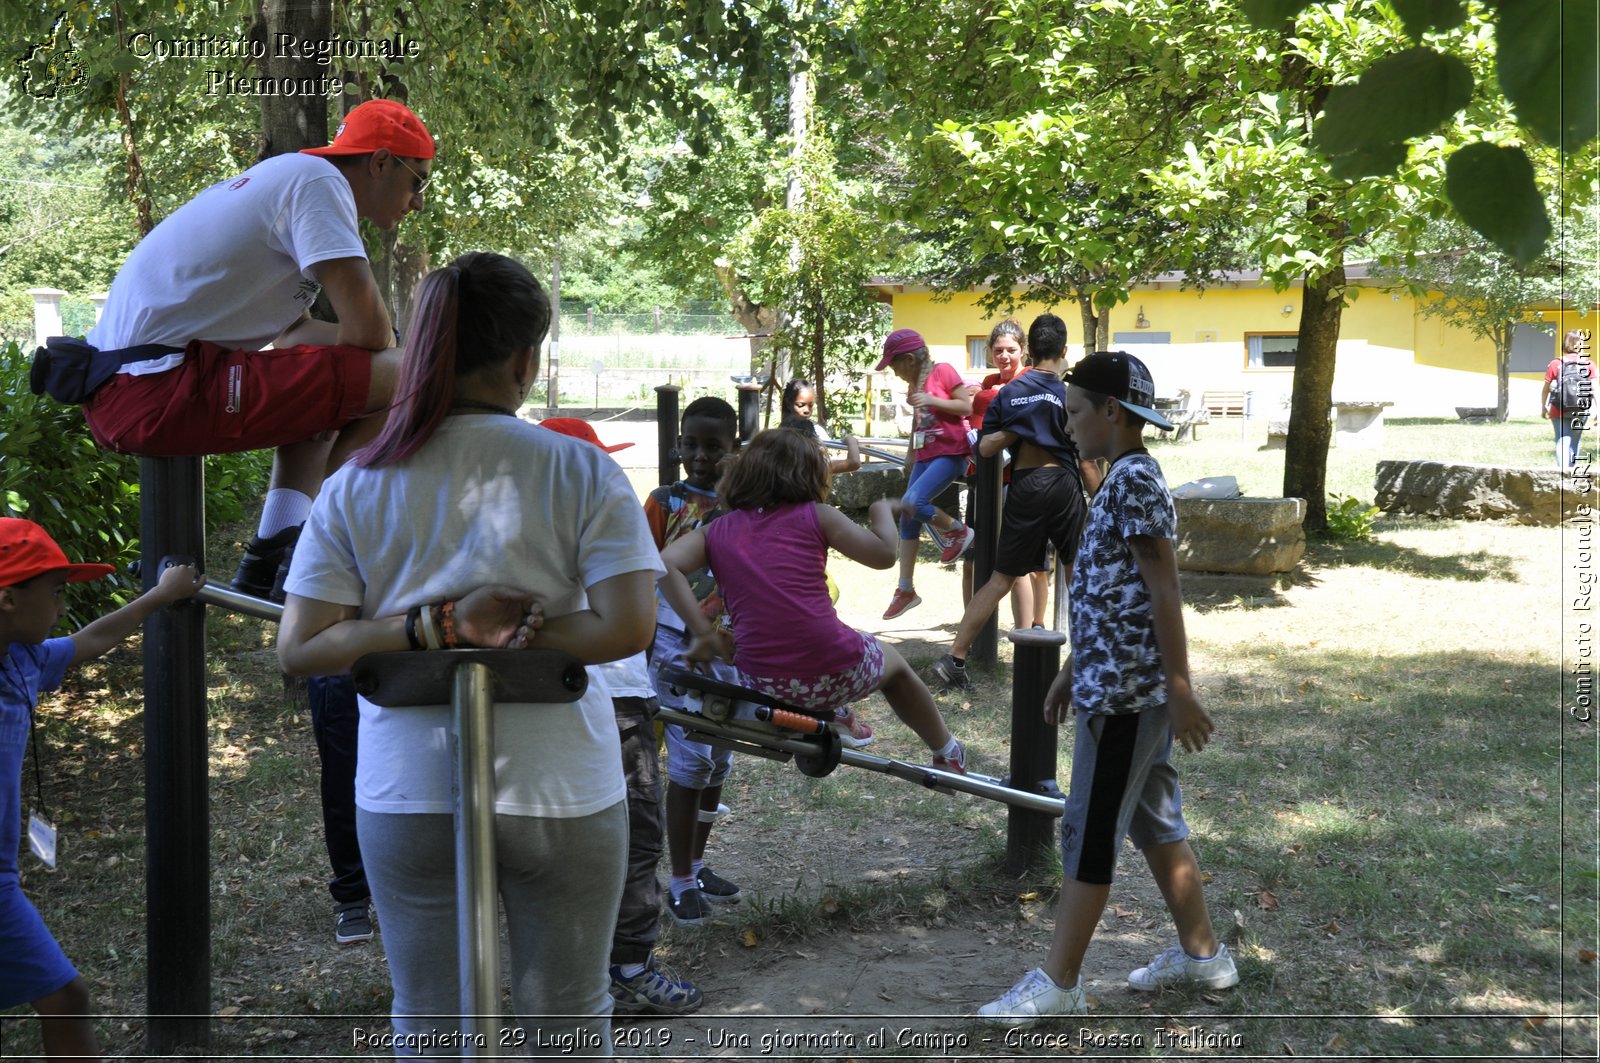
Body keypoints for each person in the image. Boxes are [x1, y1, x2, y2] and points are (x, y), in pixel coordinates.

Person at [275, 252, 660, 1047]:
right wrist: (521, 631)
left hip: (407, 789)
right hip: (563, 788)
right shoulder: (579, 468)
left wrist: (432, 629)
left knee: (431, 1021)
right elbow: (628, 628)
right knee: (570, 1021)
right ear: (524, 360)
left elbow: (301, 647)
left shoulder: (357, 481)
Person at [70, 98, 436, 601]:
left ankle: (272, 554)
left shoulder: (293, 179)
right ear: (379, 162)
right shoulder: (320, 182)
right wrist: (404, 352)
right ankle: (319, 544)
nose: (418, 202)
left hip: (136, 385)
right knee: (417, 375)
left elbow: (296, 338)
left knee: (346, 384)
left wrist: (384, 357)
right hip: (153, 387)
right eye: (419, 181)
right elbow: (371, 335)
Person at [977, 352, 1236, 1028]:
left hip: (1125, 696)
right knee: (1154, 820)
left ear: (1111, 413)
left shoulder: (1135, 480)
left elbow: (1163, 586)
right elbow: (1106, 590)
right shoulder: (1117, 478)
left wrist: (1179, 687)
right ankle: (1204, 955)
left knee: (1090, 829)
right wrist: (1071, 668)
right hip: (1108, 681)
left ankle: (1060, 981)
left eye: (1075, 411)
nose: (1066, 424)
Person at [658, 428, 970, 784]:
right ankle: (947, 752)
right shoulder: (817, 515)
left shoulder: (716, 531)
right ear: (810, 475)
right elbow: (884, 555)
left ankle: (835, 713)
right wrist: (882, 510)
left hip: (759, 680)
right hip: (831, 663)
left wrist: (701, 632)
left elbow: (665, 565)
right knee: (895, 666)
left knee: (802, 652)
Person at [1, 519, 203, 1059]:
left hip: (3, 875)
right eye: (57, 592)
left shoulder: (22, 658)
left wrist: (160, 597)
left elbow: (92, 639)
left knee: (65, 999)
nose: (63, 606)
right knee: (66, 998)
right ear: (7, 599)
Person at [537, 416, 702, 1016]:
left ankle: (574, 968)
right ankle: (629, 965)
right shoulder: (602, 520)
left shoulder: (526, 528)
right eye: (599, 459)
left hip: (555, 698)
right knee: (635, 837)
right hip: (615, 704)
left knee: (561, 840)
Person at [931, 315, 1102, 689]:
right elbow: (1087, 459)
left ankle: (954, 658)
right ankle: (1092, 662)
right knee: (1078, 573)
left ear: (1029, 350)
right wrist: (1103, 502)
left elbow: (986, 446)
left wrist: (1017, 426)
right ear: (1063, 351)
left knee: (1000, 578)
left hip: (1025, 486)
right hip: (1063, 483)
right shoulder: (1069, 393)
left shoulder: (1011, 392)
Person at [645, 397, 751, 928]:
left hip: (731, 648)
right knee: (689, 761)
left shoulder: (748, 504)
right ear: (678, 444)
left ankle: (698, 863)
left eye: (713, 446)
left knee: (719, 760)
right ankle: (681, 879)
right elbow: (643, 568)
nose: (700, 456)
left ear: (735, 446)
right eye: (691, 444)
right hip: (676, 646)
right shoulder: (665, 501)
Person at [876, 329, 977, 621]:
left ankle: (958, 530)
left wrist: (932, 401)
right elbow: (918, 423)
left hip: (951, 453)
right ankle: (905, 589)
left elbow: (965, 406)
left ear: (909, 359)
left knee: (912, 502)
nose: (894, 372)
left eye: (894, 365)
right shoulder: (915, 384)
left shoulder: (942, 371)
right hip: (925, 454)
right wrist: (910, 452)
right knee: (908, 519)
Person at [961, 319, 1049, 628]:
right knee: (973, 558)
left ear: (1024, 350)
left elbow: (990, 404)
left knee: (1023, 566)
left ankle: (1029, 630)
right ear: (989, 352)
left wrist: (984, 397)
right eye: (998, 351)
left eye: (1011, 350)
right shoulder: (988, 382)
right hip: (985, 479)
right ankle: (976, 631)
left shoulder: (1031, 380)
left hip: (1021, 481)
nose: (1005, 357)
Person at [1542, 329, 1595, 475]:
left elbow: (1546, 389)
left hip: (1558, 408)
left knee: (1561, 440)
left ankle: (1562, 474)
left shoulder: (1555, 364)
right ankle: (1572, 474)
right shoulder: (1589, 365)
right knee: (1575, 442)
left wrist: (1543, 406)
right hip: (1581, 409)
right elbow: (1595, 390)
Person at [781, 378, 860, 473]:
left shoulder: (775, 455)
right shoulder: (812, 466)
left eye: (811, 406)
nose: (807, 410)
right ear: (788, 403)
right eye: (801, 405)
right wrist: (851, 441)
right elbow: (853, 463)